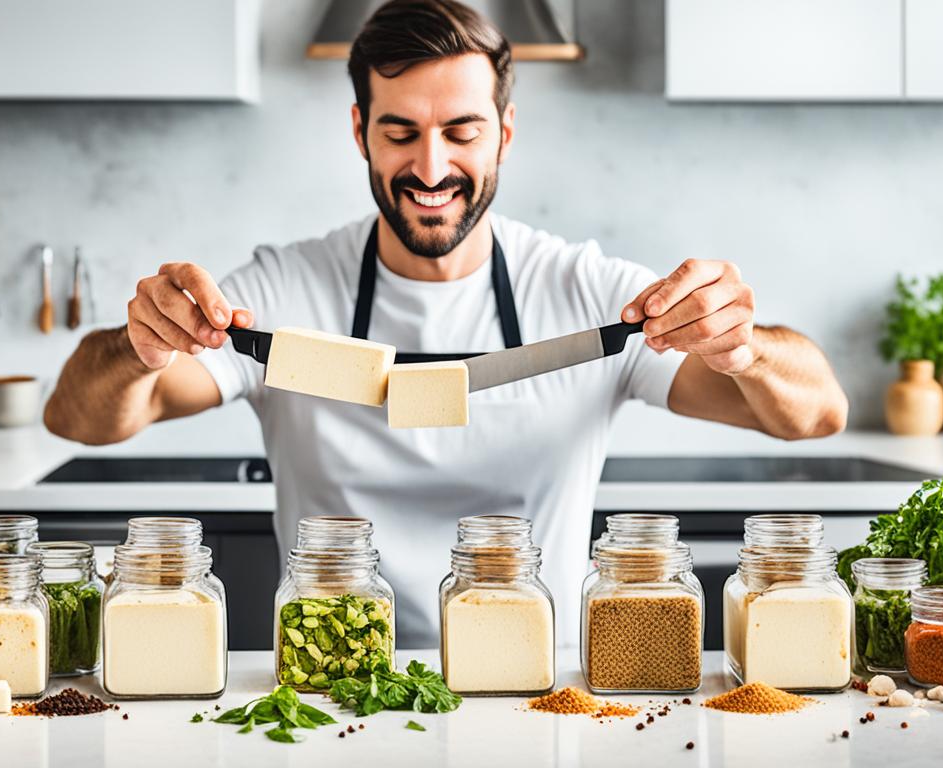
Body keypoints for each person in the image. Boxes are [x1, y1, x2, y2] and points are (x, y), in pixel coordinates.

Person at [45, 0, 848, 648]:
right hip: (336, 676)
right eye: (400, 133)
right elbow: (80, 415)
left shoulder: (590, 294)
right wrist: (137, 346)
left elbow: (817, 414)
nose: (430, 169)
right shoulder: (284, 289)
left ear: (504, 134)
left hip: (542, 682)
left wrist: (744, 349)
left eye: (461, 132)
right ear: (359, 130)